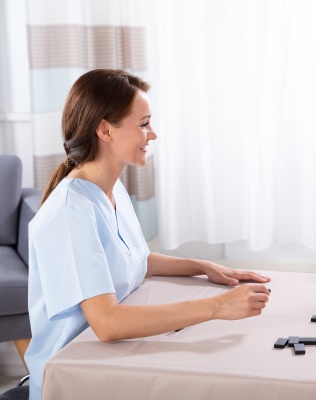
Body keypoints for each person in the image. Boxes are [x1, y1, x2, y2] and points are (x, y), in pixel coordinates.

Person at [25, 69, 271, 400]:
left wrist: (204, 267)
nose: (152, 134)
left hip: (112, 363)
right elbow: (108, 323)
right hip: (74, 378)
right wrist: (217, 307)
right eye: (143, 124)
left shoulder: (111, 190)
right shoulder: (71, 211)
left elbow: (135, 260)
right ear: (105, 130)